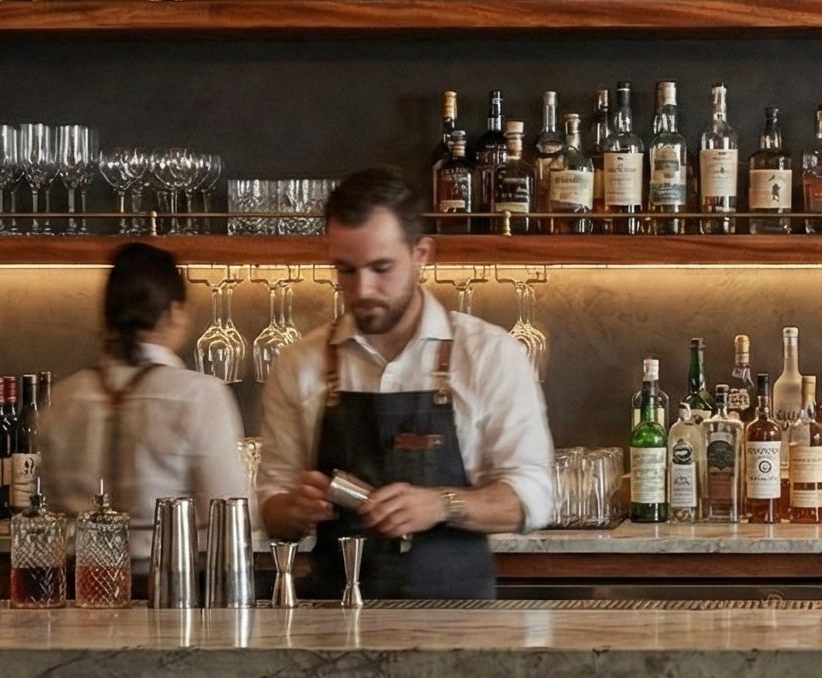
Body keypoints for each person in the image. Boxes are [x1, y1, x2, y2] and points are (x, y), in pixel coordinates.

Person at [257, 168, 552, 600]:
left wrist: (442, 504)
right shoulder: (299, 363)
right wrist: (293, 510)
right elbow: (272, 505)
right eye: (345, 270)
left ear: (421, 254)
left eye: (381, 268)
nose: (363, 289)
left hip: (460, 619)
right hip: (333, 618)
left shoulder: (490, 354)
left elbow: (532, 498)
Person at [35, 242, 247, 558]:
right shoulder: (200, 396)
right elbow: (230, 515)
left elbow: (47, 513)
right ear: (174, 313)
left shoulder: (64, 397)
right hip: (171, 579)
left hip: (80, 579)